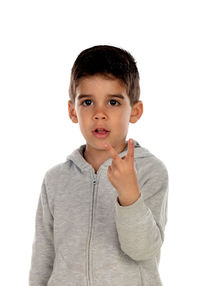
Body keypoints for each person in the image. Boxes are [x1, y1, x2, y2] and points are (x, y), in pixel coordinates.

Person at [29, 45, 169, 286]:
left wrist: (129, 196)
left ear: (134, 111)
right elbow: (44, 256)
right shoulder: (55, 180)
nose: (99, 113)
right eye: (87, 102)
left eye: (113, 102)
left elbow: (143, 249)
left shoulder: (150, 172)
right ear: (73, 111)